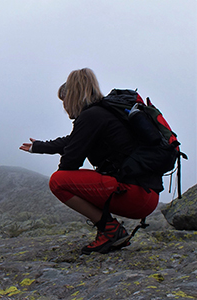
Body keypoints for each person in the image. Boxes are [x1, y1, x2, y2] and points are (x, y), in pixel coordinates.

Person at [20, 68, 160, 255]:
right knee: (64, 179)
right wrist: (40, 147)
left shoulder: (91, 117)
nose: (64, 107)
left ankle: (110, 230)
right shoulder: (103, 113)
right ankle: (110, 230)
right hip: (146, 193)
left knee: (58, 181)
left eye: (64, 101)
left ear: (72, 96)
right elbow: (74, 140)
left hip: (134, 195)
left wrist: (67, 162)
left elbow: (70, 163)